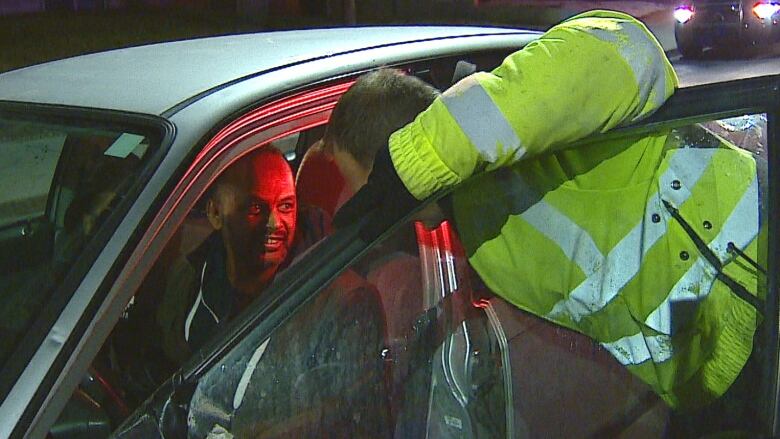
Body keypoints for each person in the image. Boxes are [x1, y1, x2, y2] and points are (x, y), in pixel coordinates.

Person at [328, 8, 764, 417]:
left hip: (757, 272)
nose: (362, 200)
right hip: (712, 373)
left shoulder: (516, 134)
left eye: (365, 182)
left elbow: (632, 51)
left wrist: (418, 157)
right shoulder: (480, 241)